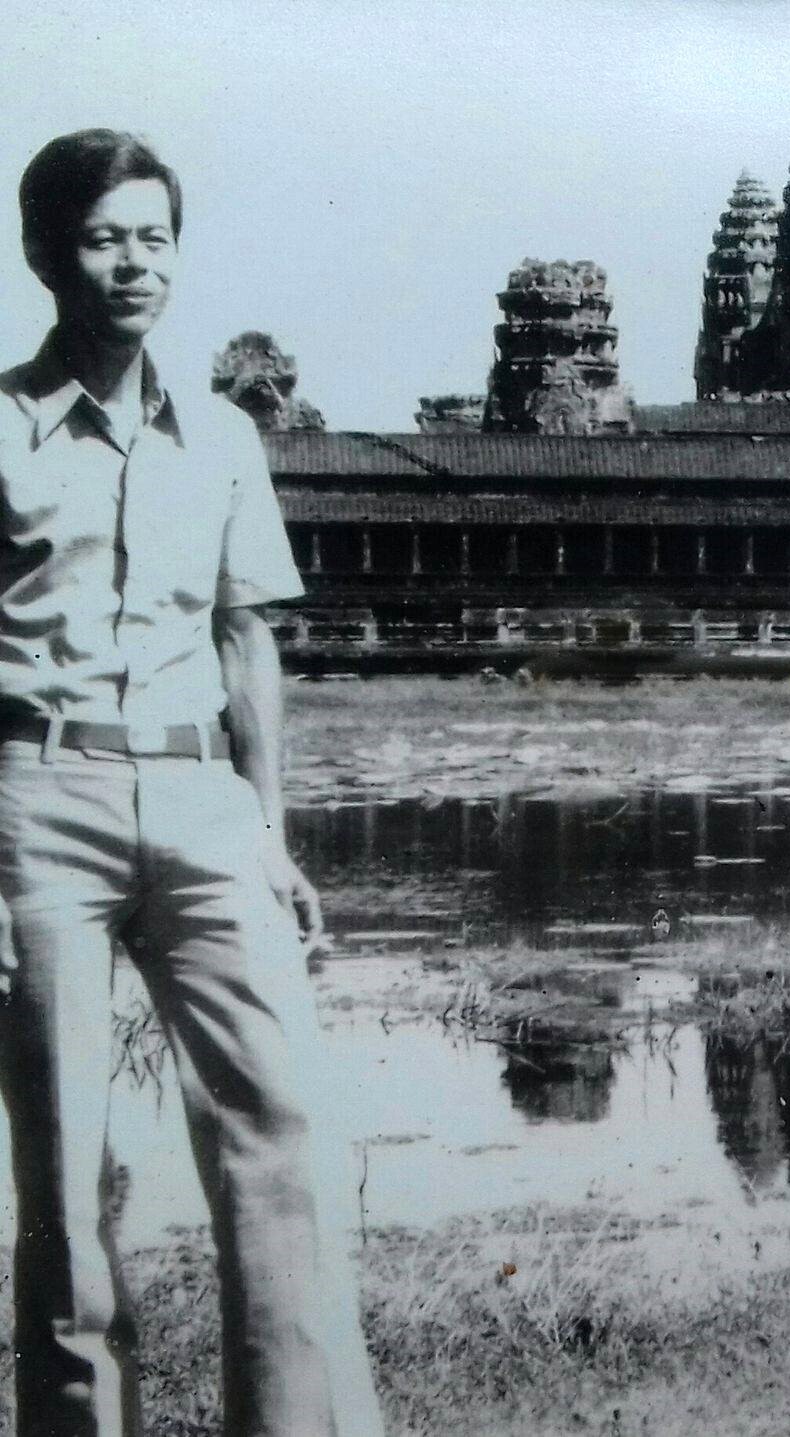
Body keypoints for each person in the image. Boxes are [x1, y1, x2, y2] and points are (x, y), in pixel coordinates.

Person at [0, 129, 385, 1437]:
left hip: (205, 803)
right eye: (106, 237)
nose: (133, 264)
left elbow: (247, 636)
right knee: (64, 1168)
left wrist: (272, 836)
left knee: (275, 1126)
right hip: (36, 806)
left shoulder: (220, 438)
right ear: (47, 251)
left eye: (155, 239)